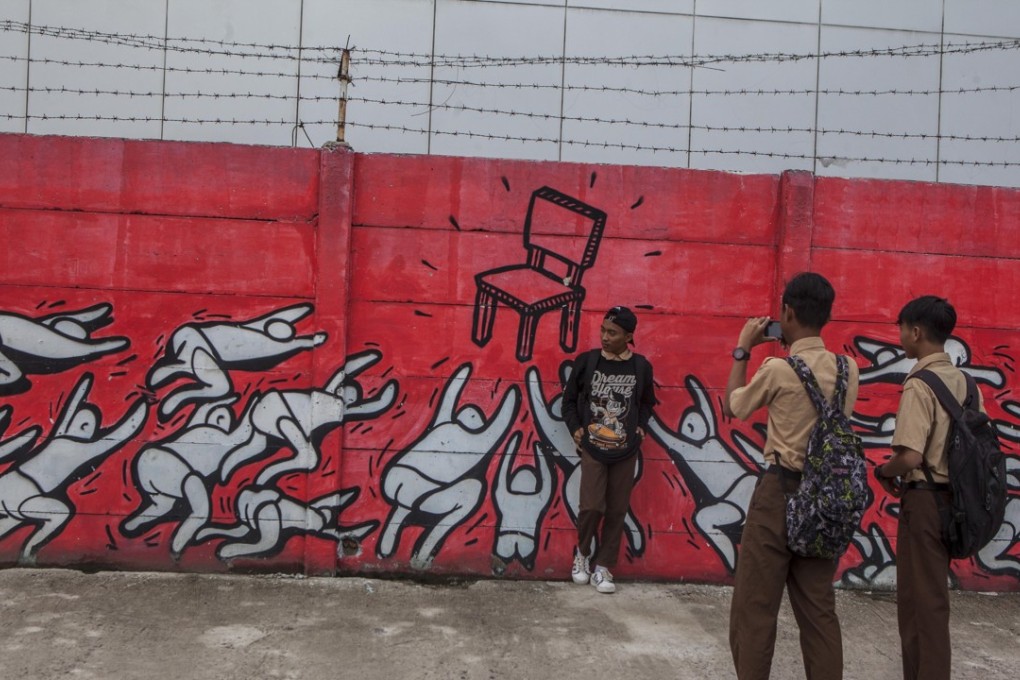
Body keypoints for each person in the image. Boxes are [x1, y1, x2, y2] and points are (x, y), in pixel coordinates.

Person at [724, 272, 859, 680]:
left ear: (787, 312)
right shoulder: (849, 369)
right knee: (818, 610)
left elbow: (734, 407)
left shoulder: (778, 369)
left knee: (755, 607)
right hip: (827, 498)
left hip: (779, 493)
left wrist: (742, 350)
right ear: (827, 315)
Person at [874, 296, 975, 680]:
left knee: (921, 605)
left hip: (925, 504)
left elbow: (911, 456)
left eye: (901, 328)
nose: (900, 335)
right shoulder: (967, 383)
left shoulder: (919, 384)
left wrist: (885, 471)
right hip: (958, 503)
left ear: (915, 332)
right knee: (930, 599)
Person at [562, 306, 656, 594]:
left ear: (628, 337)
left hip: (625, 450)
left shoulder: (640, 367)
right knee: (591, 506)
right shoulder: (588, 362)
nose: (604, 337)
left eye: (612, 333)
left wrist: (641, 427)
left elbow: (647, 403)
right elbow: (568, 401)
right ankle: (582, 554)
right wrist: (576, 428)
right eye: (603, 330)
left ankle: (603, 566)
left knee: (616, 509)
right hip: (593, 447)